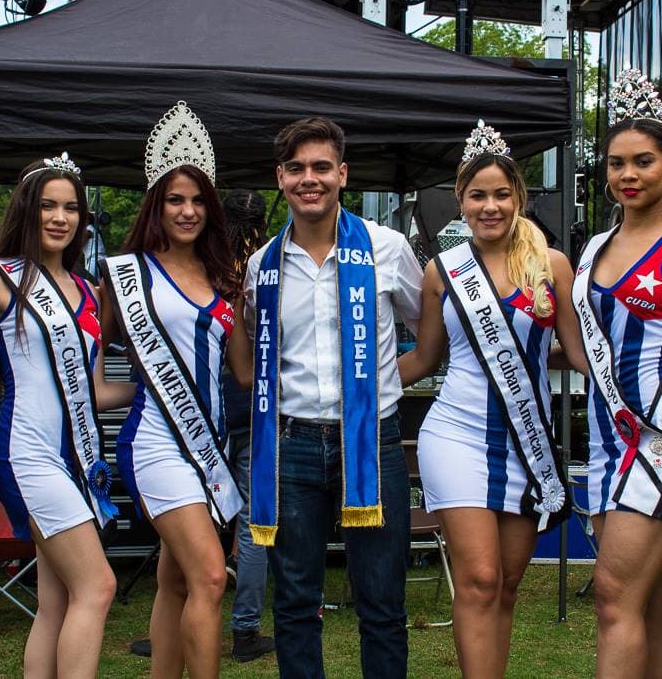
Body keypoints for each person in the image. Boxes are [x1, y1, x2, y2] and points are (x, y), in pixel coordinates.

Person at [398, 120, 587, 677]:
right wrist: (356, 386)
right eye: (477, 195)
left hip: (526, 442)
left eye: (501, 194)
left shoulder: (551, 267)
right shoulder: (441, 271)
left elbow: (577, 353)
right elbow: (424, 359)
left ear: (518, 198)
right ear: (460, 200)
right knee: (479, 578)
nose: (490, 206)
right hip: (455, 435)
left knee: (505, 585)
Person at [240, 116, 422, 678]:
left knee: (382, 604)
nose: (308, 179)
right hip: (291, 446)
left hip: (373, 441)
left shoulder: (387, 249)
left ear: (343, 174)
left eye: (321, 167)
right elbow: (255, 352)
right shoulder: (260, 267)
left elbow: (427, 335)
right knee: (295, 604)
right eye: (296, 168)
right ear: (280, 178)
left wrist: (382, 387)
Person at [570, 68, 662, 678]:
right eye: (616, 163)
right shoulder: (593, 249)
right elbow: (584, 346)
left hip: (660, 440)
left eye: (643, 161)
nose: (628, 175)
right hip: (606, 439)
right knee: (651, 605)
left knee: (612, 598)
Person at [99, 101, 245, 679]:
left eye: (197, 201)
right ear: (156, 204)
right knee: (211, 575)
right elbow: (88, 351)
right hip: (156, 444)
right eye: (175, 199)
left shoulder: (224, 277)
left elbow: (241, 374)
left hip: (211, 446)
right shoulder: (126, 273)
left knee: (177, 578)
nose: (187, 212)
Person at [0, 153, 132, 677]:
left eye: (71, 208)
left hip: (74, 460)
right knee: (98, 586)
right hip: (27, 453)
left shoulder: (86, 291)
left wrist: (151, 391)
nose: (60, 218)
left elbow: (89, 391)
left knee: (57, 602)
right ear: (26, 210)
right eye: (47, 205)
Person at [222, 188, 275, 662]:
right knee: (253, 523)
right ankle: (244, 630)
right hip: (253, 405)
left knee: (189, 516)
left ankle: (175, 618)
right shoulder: (270, 264)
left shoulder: (205, 264)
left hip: (201, 408)